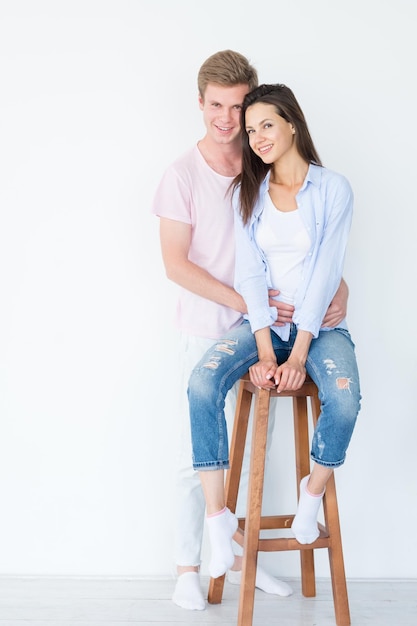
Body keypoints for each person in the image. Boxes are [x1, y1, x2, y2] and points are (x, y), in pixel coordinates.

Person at [152, 52, 349, 610]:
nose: (227, 117)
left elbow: (305, 244)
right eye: (216, 105)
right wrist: (251, 302)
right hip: (211, 323)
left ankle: (239, 559)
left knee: (238, 454)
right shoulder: (182, 174)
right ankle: (189, 566)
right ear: (200, 105)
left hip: (267, 328)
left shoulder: (264, 161)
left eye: (238, 107)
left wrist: (340, 289)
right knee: (197, 454)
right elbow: (176, 264)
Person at [187, 82, 361, 581]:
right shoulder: (249, 190)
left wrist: (298, 354)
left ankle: (313, 493)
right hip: (262, 325)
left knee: (346, 401)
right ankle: (218, 522)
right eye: (251, 130)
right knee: (202, 383)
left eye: (267, 125)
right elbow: (249, 275)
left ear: (292, 123)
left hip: (320, 330)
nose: (258, 137)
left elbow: (327, 271)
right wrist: (266, 350)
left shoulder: (333, 188)